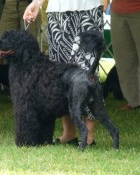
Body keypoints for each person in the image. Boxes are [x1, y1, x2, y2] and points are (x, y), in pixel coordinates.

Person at [23, 0, 104, 145]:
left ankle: (89, 136)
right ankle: (69, 133)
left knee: (88, 70)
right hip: (57, 10)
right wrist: (37, 3)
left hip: (88, 7)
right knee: (61, 73)